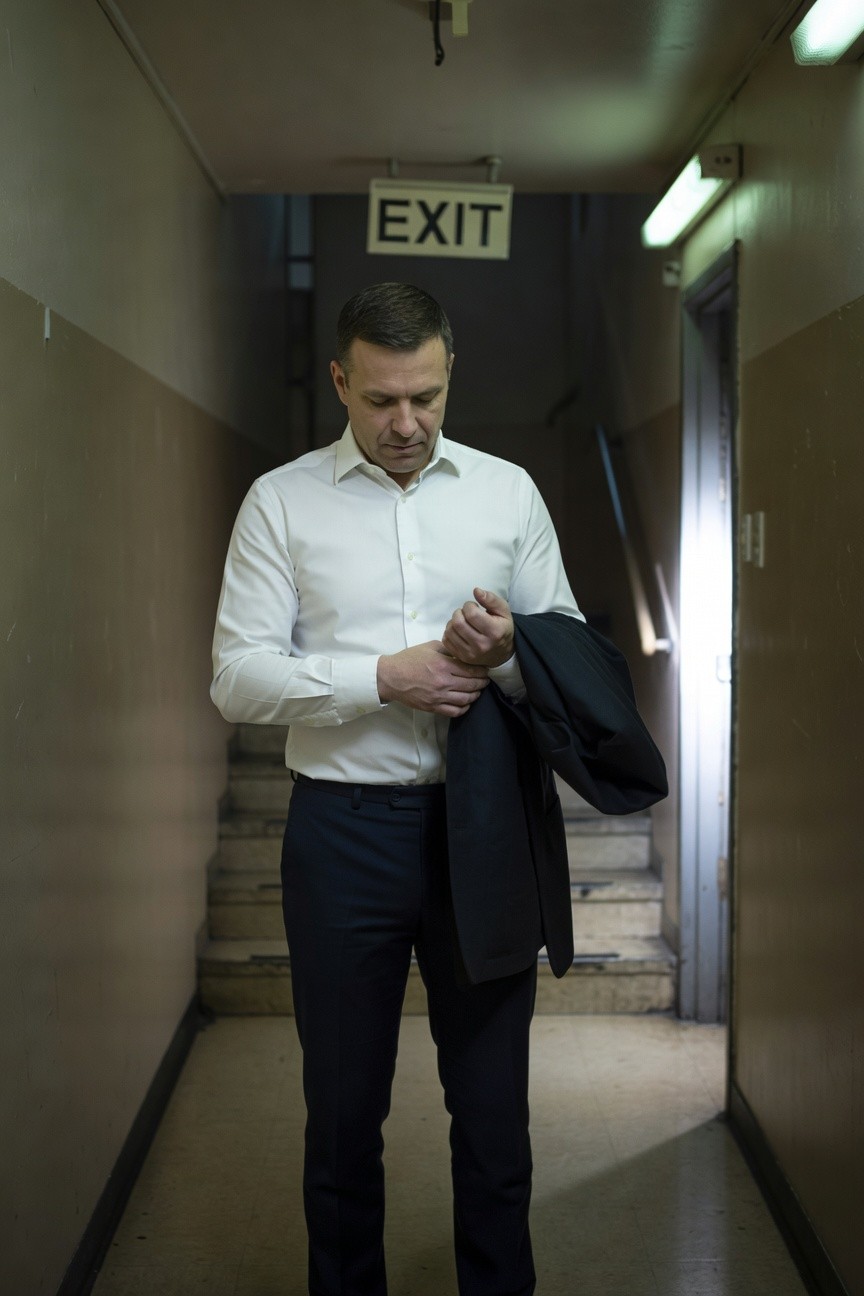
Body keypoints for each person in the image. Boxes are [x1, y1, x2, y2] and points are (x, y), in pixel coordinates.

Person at [211, 281, 584, 1296]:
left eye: (425, 395)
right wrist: (384, 677)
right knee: (341, 1122)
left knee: (495, 1119)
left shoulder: (509, 493)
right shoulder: (281, 501)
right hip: (343, 836)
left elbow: (568, 654)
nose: (406, 423)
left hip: (487, 830)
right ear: (340, 382)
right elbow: (236, 678)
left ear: (450, 371)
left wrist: (510, 655)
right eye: (381, 400)